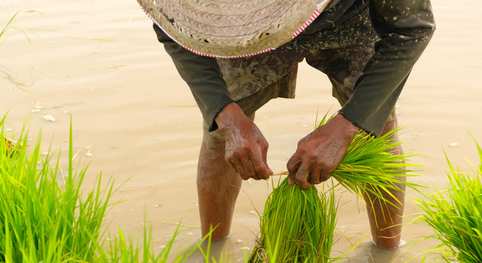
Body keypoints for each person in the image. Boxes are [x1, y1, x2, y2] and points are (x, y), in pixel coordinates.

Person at [138, 0, 435, 249]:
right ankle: (214, 247)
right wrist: (225, 116)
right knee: (219, 135)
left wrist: (348, 126)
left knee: (378, 131)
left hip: (350, 16)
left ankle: (387, 252)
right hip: (244, 26)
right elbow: (171, 26)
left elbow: (412, 29)